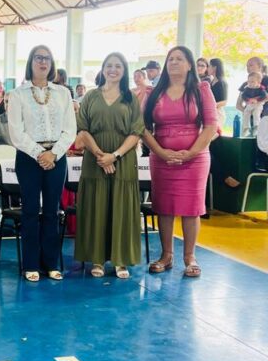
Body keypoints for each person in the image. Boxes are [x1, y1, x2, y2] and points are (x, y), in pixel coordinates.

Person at [143, 45, 218, 278]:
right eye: (170, 59)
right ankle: (166, 256)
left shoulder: (201, 89)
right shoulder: (153, 92)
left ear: (189, 65)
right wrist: (160, 152)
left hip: (194, 160)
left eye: (180, 59)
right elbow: (143, 128)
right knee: (164, 207)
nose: (174, 62)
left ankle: (189, 257)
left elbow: (210, 126)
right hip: (160, 158)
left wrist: (191, 152)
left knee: (191, 209)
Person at [8, 45, 76, 281]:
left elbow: (70, 130)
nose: (43, 62)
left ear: (52, 63)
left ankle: (51, 263)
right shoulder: (17, 94)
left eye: (47, 58)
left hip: (57, 157)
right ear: (31, 62)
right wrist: (39, 153)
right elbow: (16, 132)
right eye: (38, 58)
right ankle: (30, 265)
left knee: (52, 211)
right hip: (28, 157)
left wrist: (53, 154)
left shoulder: (63, 93)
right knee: (29, 211)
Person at [75, 52, 144, 279]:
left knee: (121, 208)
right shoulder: (91, 97)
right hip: (95, 161)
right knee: (96, 207)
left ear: (124, 71)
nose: (113, 70)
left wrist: (114, 155)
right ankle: (97, 259)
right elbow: (83, 129)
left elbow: (136, 132)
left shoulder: (130, 98)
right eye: (109, 65)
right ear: (103, 69)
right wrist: (99, 155)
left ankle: (120, 260)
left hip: (123, 160)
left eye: (118, 66)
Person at [208, 57, 228, 128]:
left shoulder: (221, 82)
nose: (208, 68)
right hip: (210, 112)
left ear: (215, 67)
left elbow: (224, 102)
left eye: (209, 66)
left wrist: (211, 107)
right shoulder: (211, 81)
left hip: (217, 113)